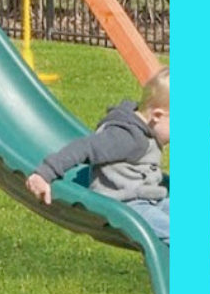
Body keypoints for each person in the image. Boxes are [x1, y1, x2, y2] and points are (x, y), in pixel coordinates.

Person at [25, 67, 169, 243]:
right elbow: (84, 147)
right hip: (126, 205)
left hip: (149, 199)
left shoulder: (147, 131)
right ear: (157, 115)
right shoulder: (125, 136)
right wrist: (44, 174)